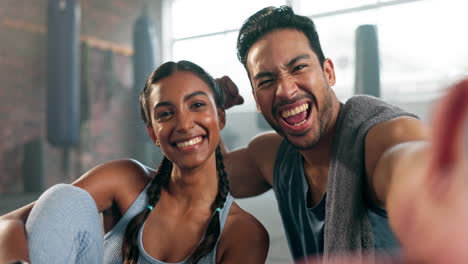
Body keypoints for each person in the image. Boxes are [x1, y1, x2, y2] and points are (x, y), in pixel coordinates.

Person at [218, 5, 468, 263]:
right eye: (266, 81)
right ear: (257, 101)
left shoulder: (385, 137)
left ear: (328, 72)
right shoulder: (272, 156)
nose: (285, 90)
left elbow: (408, 162)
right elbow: (207, 181)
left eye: (299, 67)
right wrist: (207, 107)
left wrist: (441, 189)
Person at [0, 60, 269, 264]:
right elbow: (9, 222)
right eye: (165, 113)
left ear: (220, 118)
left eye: (197, 105)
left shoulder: (242, 233)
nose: (184, 124)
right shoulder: (127, 181)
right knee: (64, 197)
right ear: (153, 132)